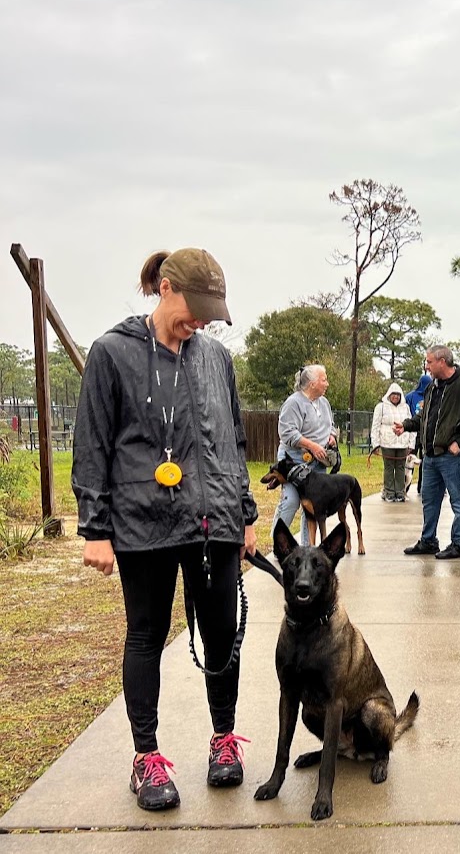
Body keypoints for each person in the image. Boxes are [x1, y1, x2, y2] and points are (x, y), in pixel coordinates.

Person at [72, 248, 258, 812]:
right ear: (166, 287)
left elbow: (232, 440)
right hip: (143, 522)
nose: (201, 321)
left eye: (210, 313)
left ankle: (224, 740)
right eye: (195, 308)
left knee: (221, 636)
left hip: (215, 523)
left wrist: (244, 514)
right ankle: (146, 756)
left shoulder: (214, 359)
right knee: (146, 635)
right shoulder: (111, 353)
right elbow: (93, 444)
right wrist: (94, 528)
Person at [396, 345, 460, 559]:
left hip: (451, 457)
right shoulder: (432, 387)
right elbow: (424, 417)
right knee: (429, 500)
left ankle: (458, 545)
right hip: (430, 457)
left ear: (442, 362)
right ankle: (428, 541)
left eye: (429, 362)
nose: (426, 366)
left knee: (458, 501)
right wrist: (406, 426)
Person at [273, 364, 339, 546]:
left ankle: (306, 547)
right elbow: (287, 433)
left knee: (312, 506)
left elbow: (331, 425)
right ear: (311, 384)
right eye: (324, 379)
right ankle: (277, 542)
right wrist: (311, 445)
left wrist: (331, 436)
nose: (327, 383)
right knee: (291, 502)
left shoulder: (324, 403)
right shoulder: (293, 403)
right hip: (294, 462)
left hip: (317, 464)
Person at [371, 382, 412, 502]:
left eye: (398, 395)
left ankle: (400, 492)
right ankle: (388, 492)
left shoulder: (406, 407)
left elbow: (410, 425)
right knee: (389, 467)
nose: (396, 397)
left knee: (400, 467)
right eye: (393, 394)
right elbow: (375, 426)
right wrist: (375, 444)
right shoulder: (381, 407)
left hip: (402, 443)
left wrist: (411, 443)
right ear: (389, 395)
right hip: (387, 442)